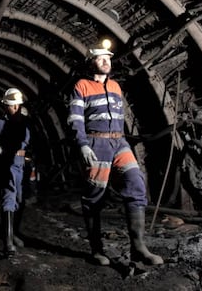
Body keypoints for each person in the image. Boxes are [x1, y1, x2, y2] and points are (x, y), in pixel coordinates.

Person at [67, 48, 163, 266]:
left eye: (108, 58)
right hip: (95, 142)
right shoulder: (81, 86)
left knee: (136, 182)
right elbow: (75, 118)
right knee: (95, 196)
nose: (105, 62)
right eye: (100, 59)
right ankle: (96, 250)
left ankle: (138, 247)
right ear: (90, 62)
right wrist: (82, 144)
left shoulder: (115, 86)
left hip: (119, 142)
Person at [0, 88, 30, 257]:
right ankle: (8, 243)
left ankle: (13, 233)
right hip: (8, 164)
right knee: (9, 198)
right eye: (11, 106)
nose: (15, 108)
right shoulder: (0, 123)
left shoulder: (26, 121)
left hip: (22, 164)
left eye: (17, 105)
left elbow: (32, 141)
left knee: (20, 200)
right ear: (5, 106)